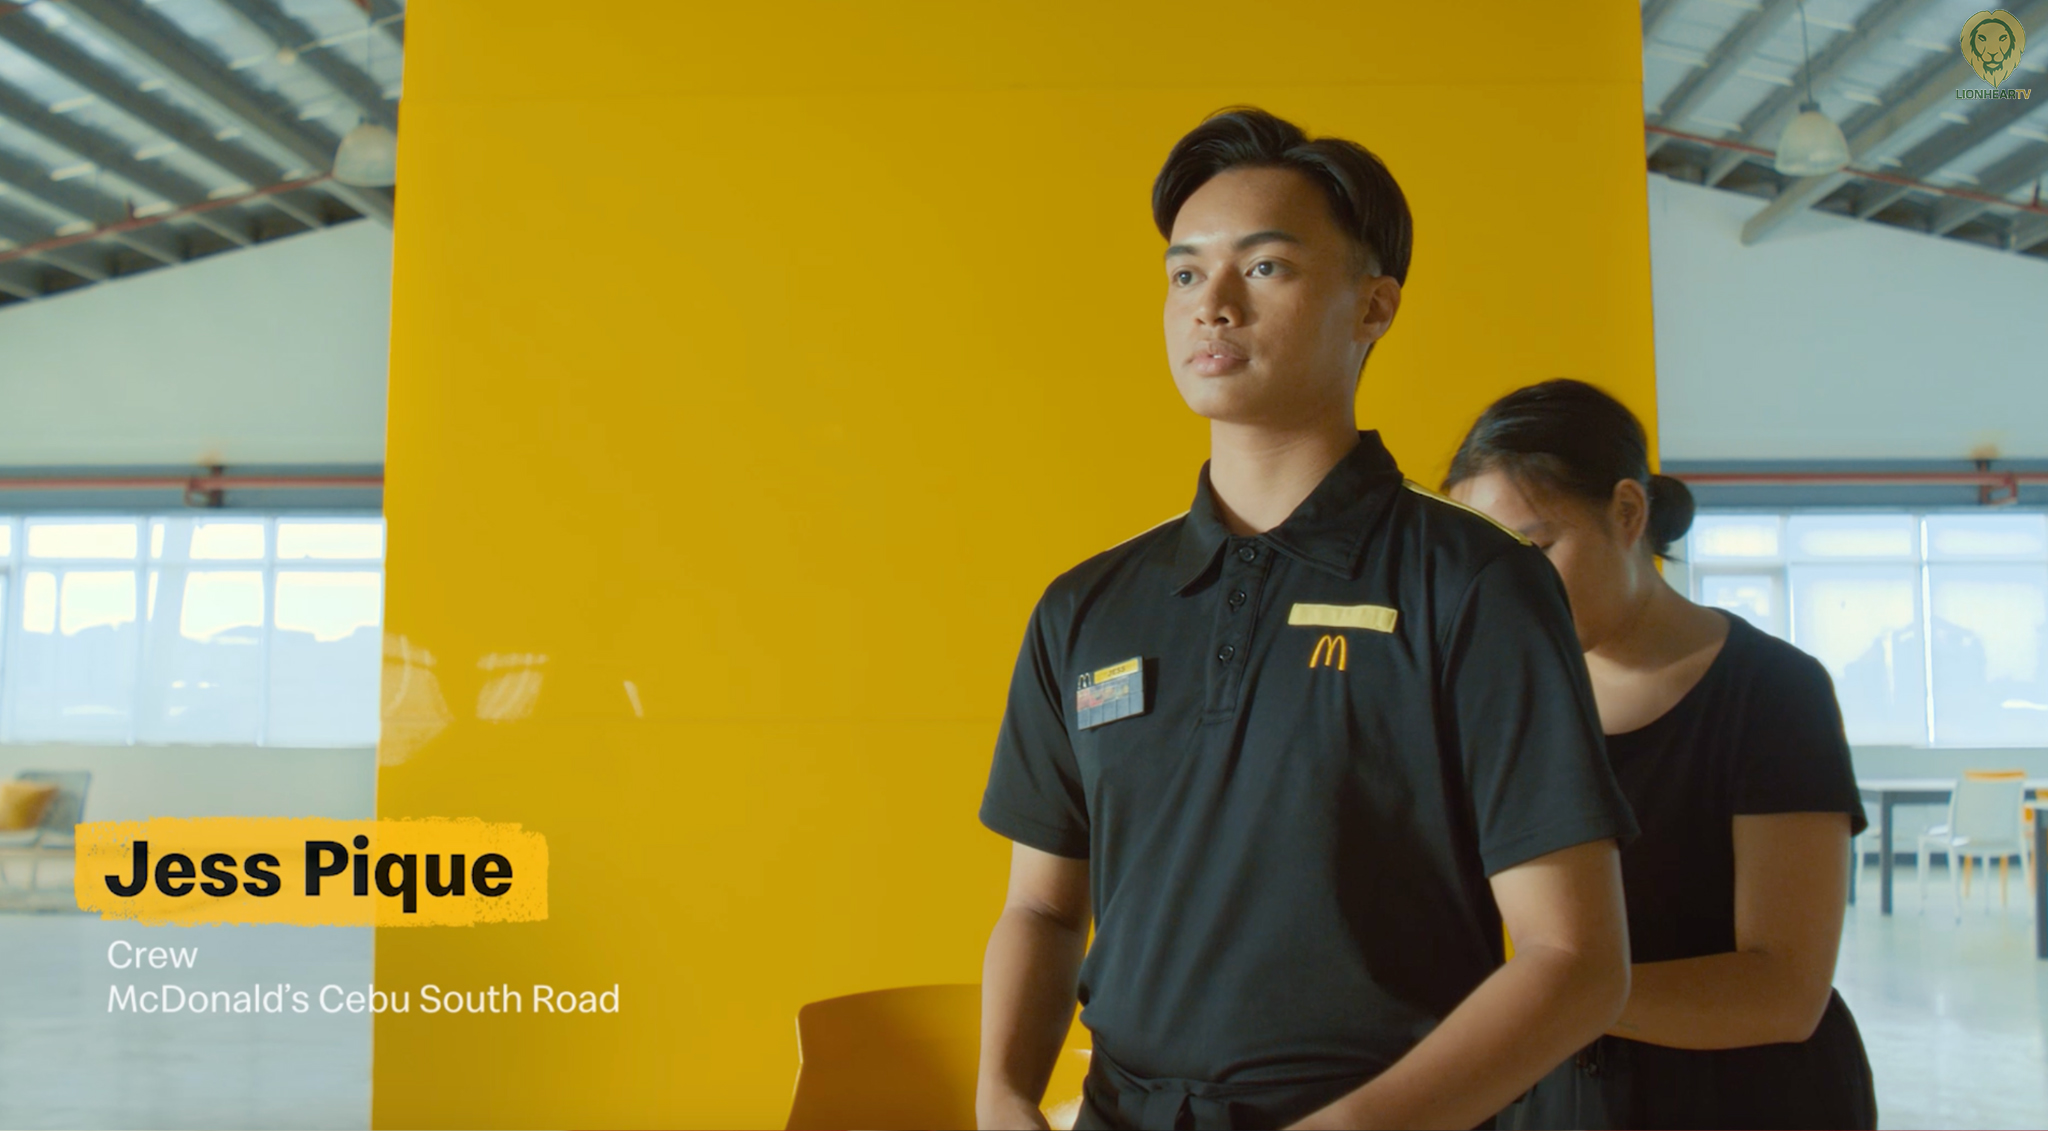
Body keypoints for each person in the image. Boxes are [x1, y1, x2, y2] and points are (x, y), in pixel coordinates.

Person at [973, 107, 1639, 1131]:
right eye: (1184, 274)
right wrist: (1003, 1093)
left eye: (1265, 267)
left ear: (1373, 306)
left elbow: (1576, 960)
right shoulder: (1087, 606)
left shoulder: (1476, 586)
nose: (1212, 306)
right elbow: (1042, 907)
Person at [1444, 379, 1877, 1130]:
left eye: (1537, 548)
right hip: (1561, 1094)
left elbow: (1784, 990)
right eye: (1492, 562)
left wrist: (1557, 995)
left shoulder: (1773, 690)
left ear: (1627, 513)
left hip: (1750, 1102)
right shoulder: (1499, 698)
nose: (1512, 590)